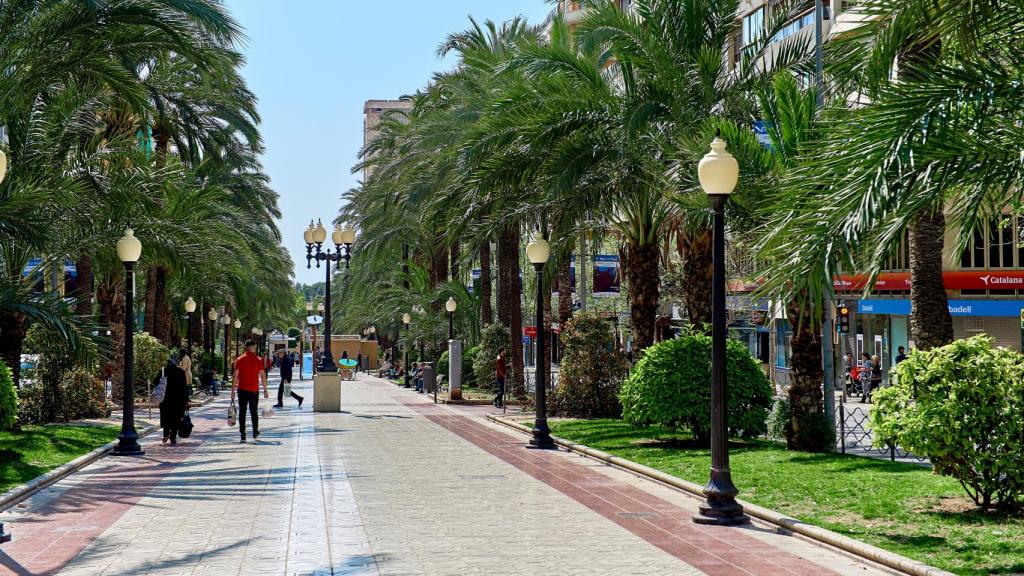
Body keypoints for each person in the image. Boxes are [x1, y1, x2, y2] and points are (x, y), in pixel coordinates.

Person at [232, 340, 269, 443]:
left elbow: (235, 376)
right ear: (253, 347)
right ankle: (255, 431)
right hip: (254, 390)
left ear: (246, 347)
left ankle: (243, 434)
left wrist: (232, 391)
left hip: (242, 389)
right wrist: (265, 390)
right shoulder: (258, 360)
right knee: (254, 412)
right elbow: (263, 376)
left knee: (242, 412)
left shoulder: (239, 359)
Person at [159, 356, 190, 445]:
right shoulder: (180, 372)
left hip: (165, 399)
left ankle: (165, 435)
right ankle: (173, 438)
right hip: (178, 400)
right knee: (176, 419)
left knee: (166, 418)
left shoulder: (163, 371)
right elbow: (184, 387)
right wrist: (186, 399)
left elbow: (155, 382)